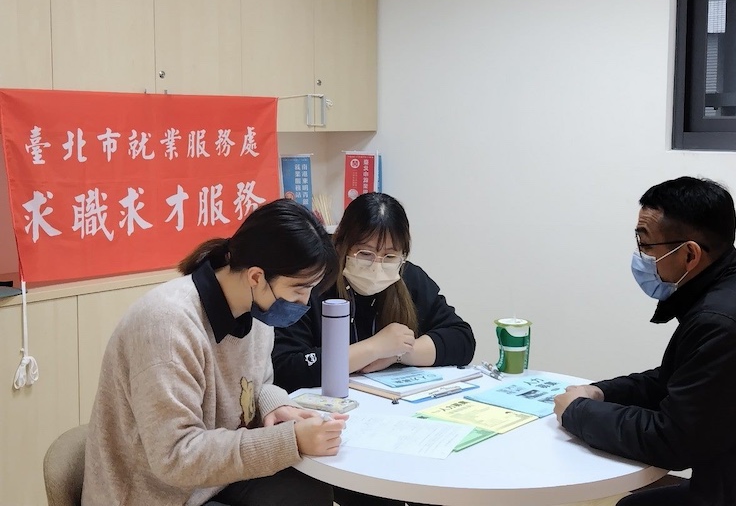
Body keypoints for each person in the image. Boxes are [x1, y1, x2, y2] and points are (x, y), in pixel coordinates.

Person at [83, 199, 348, 506]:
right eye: (299, 290)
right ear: (256, 277)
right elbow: (176, 457)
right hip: (154, 494)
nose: (304, 303)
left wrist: (274, 405)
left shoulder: (256, 312)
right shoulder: (167, 326)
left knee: (309, 491)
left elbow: (257, 383)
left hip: (212, 481)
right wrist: (289, 440)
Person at [553, 177, 736, 506]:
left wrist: (578, 413)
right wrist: (600, 392)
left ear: (689, 254)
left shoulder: (724, 323)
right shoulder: (735, 294)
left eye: (646, 245)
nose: (640, 256)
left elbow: (671, 441)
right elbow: (677, 380)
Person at [273, 192, 476, 506]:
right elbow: (286, 367)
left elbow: (462, 339)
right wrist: (372, 348)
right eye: (365, 253)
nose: (377, 266)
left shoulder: (408, 279)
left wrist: (399, 352)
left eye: (390, 256)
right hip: (333, 430)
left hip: (395, 425)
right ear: (342, 245)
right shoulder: (314, 284)